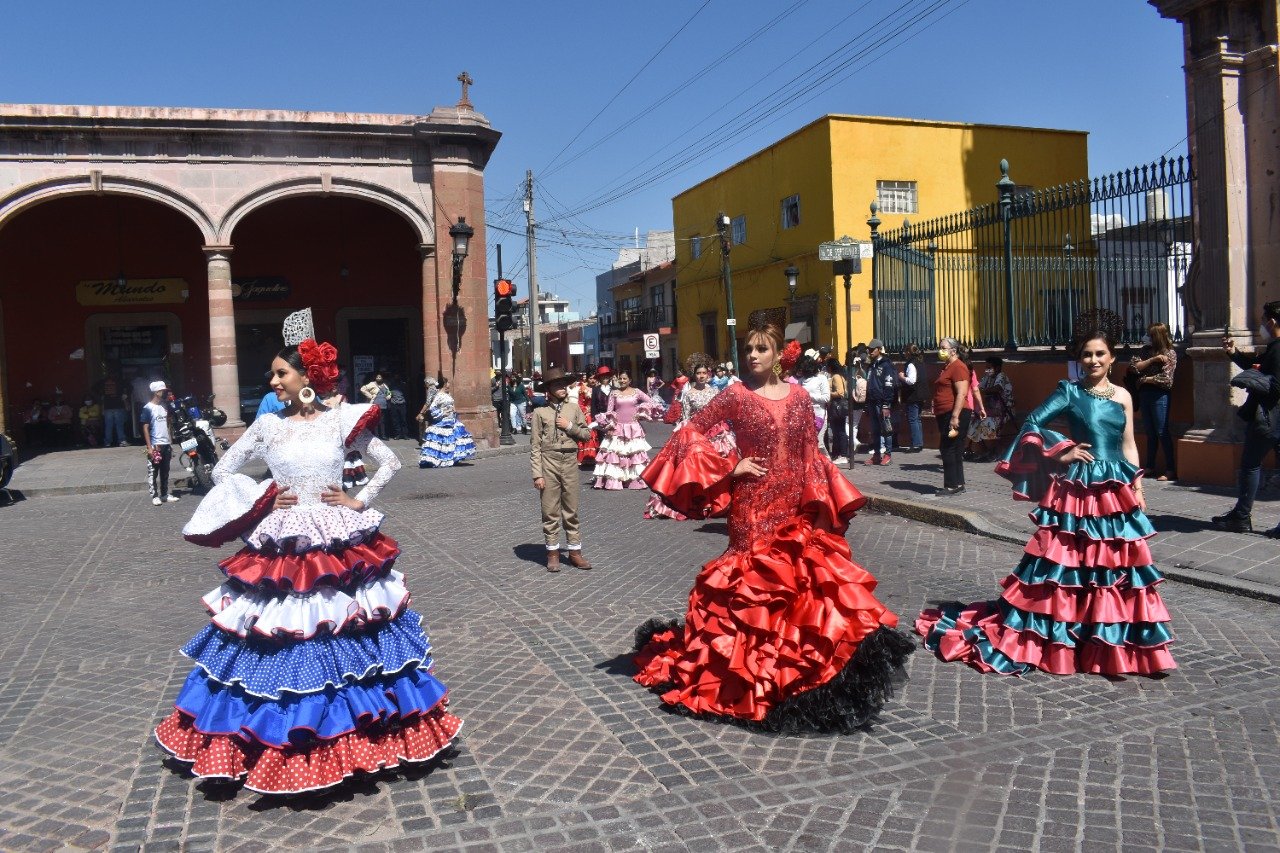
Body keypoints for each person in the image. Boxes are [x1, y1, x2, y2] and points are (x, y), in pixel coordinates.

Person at [158, 338, 461, 793]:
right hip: (283, 540)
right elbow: (223, 471)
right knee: (284, 628)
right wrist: (263, 497)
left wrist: (357, 501)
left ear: (307, 377)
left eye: (281, 373)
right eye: (274, 374)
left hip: (337, 537)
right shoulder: (266, 425)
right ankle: (279, 736)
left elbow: (391, 462)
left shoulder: (341, 419)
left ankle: (358, 739)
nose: (274, 381)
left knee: (345, 629)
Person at [633, 313, 913, 731]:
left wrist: (818, 500)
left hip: (792, 503)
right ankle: (750, 681)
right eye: (748, 349)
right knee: (752, 587)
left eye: (761, 349)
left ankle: (800, 677)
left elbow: (808, 452)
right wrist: (731, 466)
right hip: (752, 505)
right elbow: (689, 430)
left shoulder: (800, 398)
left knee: (802, 585)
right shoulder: (736, 396)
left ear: (779, 353)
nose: (753, 355)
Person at [916, 309, 1176, 676]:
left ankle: (1110, 642)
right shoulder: (1069, 392)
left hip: (1115, 488)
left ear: (1112, 357)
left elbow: (1129, 443)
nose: (1093, 360)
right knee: (1067, 564)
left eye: (1100, 354)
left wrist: (1137, 484)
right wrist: (1062, 450)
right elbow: (1033, 422)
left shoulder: (1123, 396)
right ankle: (1068, 637)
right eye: (1087, 354)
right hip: (1080, 484)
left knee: (1114, 566)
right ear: (1079, 359)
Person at [1213, 300, 1280, 534]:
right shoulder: (1274, 347)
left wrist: (1252, 381)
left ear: (1272, 322)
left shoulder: (1278, 348)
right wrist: (1235, 353)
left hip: (1269, 419)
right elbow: (1258, 367)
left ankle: (1241, 516)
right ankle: (1240, 515)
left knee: (1250, 465)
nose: (1261, 325)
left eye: (1263, 321)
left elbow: (1275, 386)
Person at [644, 353, 735, 520]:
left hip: (716, 431)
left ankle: (717, 500)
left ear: (708, 374)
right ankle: (698, 501)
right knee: (696, 466)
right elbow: (685, 416)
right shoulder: (689, 394)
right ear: (694, 375)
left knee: (719, 464)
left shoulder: (715, 391)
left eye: (704, 373)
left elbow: (720, 412)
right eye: (698, 373)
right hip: (697, 433)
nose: (701, 376)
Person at [531, 368, 595, 571]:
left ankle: (575, 552)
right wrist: (537, 474)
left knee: (571, 509)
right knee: (549, 510)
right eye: (557, 385)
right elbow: (535, 446)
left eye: (564, 385)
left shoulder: (574, 409)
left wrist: (569, 427)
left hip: (569, 461)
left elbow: (586, 435)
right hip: (548, 461)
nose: (562, 389)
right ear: (549, 390)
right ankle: (552, 553)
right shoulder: (540, 413)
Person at [1130, 323, 1178, 481]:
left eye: (1150, 335)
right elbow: (1134, 367)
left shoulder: (1170, 353)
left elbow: (1166, 380)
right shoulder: (1145, 351)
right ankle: (1150, 466)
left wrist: (1145, 379)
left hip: (1160, 396)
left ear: (1157, 336)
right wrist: (1152, 360)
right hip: (1145, 394)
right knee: (1149, 432)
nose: (1147, 337)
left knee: (1161, 431)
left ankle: (1170, 469)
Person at [592, 371, 655, 489]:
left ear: (630, 380)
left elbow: (650, 402)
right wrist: (610, 426)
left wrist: (640, 413)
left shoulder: (637, 392)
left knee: (633, 454)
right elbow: (610, 411)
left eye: (624, 379)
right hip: (618, 426)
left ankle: (634, 480)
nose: (622, 381)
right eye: (620, 379)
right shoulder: (614, 393)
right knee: (616, 454)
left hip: (633, 427)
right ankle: (617, 480)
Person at [933, 338, 972, 496]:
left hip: (955, 412)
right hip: (945, 412)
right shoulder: (947, 367)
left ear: (953, 351)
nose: (940, 350)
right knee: (954, 448)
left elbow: (962, 393)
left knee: (948, 448)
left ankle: (951, 485)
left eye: (944, 348)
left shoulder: (958, 367)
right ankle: (959, 483)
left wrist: (955, 417)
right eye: (940, 347)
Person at [418, 377, 477, 468]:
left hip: (452, 420)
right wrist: (442, 413)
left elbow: (452, 404)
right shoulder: (438, 395)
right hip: (443, 421)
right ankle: (441, 459)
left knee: (453, 440)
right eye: (448, 383)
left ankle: (452, 458)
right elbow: (432, 408)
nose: (449, 385)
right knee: (444, 441)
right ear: (444, 384)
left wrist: (454, 411)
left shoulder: (447, 394)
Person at [967, 357, 1016, 462]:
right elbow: (978, 388)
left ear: (997, 368)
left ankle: (996, 451)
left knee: (987, 423)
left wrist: (983, 391)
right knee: (973, 423)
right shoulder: (987, 377)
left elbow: (997, 388)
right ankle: (986, 451)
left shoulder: (1001, 376)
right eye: (986, 368)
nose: (987, 370)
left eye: (989, 368)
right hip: (990, 410)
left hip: (1003, 411)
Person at [140, 381, 178, 506]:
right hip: (155, 444)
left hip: (166, 443)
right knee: (153, 471)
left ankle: (164, 494)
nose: (165, 393)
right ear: (156, 392)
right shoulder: (147, 408)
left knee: (165, 471)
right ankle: (154, 495)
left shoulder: (164, 407)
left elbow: (168, 425)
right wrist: (149, 447)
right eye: (163, 391)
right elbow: (145, 428)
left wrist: (170, 442)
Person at [864, 338, 896, 465]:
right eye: (869, 349)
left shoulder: (886, 365)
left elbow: (889, 385)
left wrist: (886, 404)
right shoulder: (871, 365)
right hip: (872, 401)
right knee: (875, 430)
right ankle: (876, 455)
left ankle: (887, 454)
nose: (870, 352)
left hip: (882, 402)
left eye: (873, 349)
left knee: (886, 429)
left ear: (879, 349)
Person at [797, 352, 831, 455]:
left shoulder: (821, 378)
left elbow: (826, 397)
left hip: (820, 415)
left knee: (819, 443)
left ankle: (829, 466)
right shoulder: (801, 380)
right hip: (805, 416)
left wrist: (809, 396)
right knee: (808, 444)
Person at [897, 344, 927, 452]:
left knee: (913, 419)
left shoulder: (911, 364)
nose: (904, 354)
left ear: (908, 352)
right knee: (917, 419)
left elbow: (911, 380)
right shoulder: (921, 362)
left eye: (905, 351)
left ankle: (916, 444)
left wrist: (901, 377)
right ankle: (919, 443)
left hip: (913, 396)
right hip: (921, 395)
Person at [827, 357, 850, 464]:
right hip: (839, 406)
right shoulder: (841, 376)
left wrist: (828, 393)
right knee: (839, 430)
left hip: (838, 406)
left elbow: (840, 392)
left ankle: (843, 454)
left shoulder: (836, 377)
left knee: (840, 431)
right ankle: (839, 454)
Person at [360, 372, 390, 439]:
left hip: (383, 405)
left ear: (382, 378)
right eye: (377, 377)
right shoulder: (372, 384)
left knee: (382, 421)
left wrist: (388, 396)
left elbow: (388, 392)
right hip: (375, 405)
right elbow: (362, 389)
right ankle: (376, 435)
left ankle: (383, 435)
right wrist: (370, 396)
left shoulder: (384, 385)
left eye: (380, 377)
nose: (378, 378)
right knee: (376, 420)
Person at [101, 375, 129, 447]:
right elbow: (129, 388)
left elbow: (94, 388)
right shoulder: (120, 382)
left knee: (108, 425)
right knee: (119, 424)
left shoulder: (103, 383)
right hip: (118, 405)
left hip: (107, 407)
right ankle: (122, 440)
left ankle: (107, 442)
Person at [416, 376, 440, 444]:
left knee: (428, 423)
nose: (424, 385)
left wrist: (421, 412)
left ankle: (427, 440)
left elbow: (428, 402)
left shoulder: (430, 389)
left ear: (427, 383)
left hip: (433, 410)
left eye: (425, 383)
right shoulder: (436, 388)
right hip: (437, 409)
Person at [386, 375, 408, 440]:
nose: (396, 378)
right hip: (394, 404)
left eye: (398, 377)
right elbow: (388, 394)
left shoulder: (403, 385)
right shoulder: (390, 386)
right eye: (395, 377)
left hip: (402, 404)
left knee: (403, 420)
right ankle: (397, 434)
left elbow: (406, 394)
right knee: (396, 420)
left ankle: (405, 435)